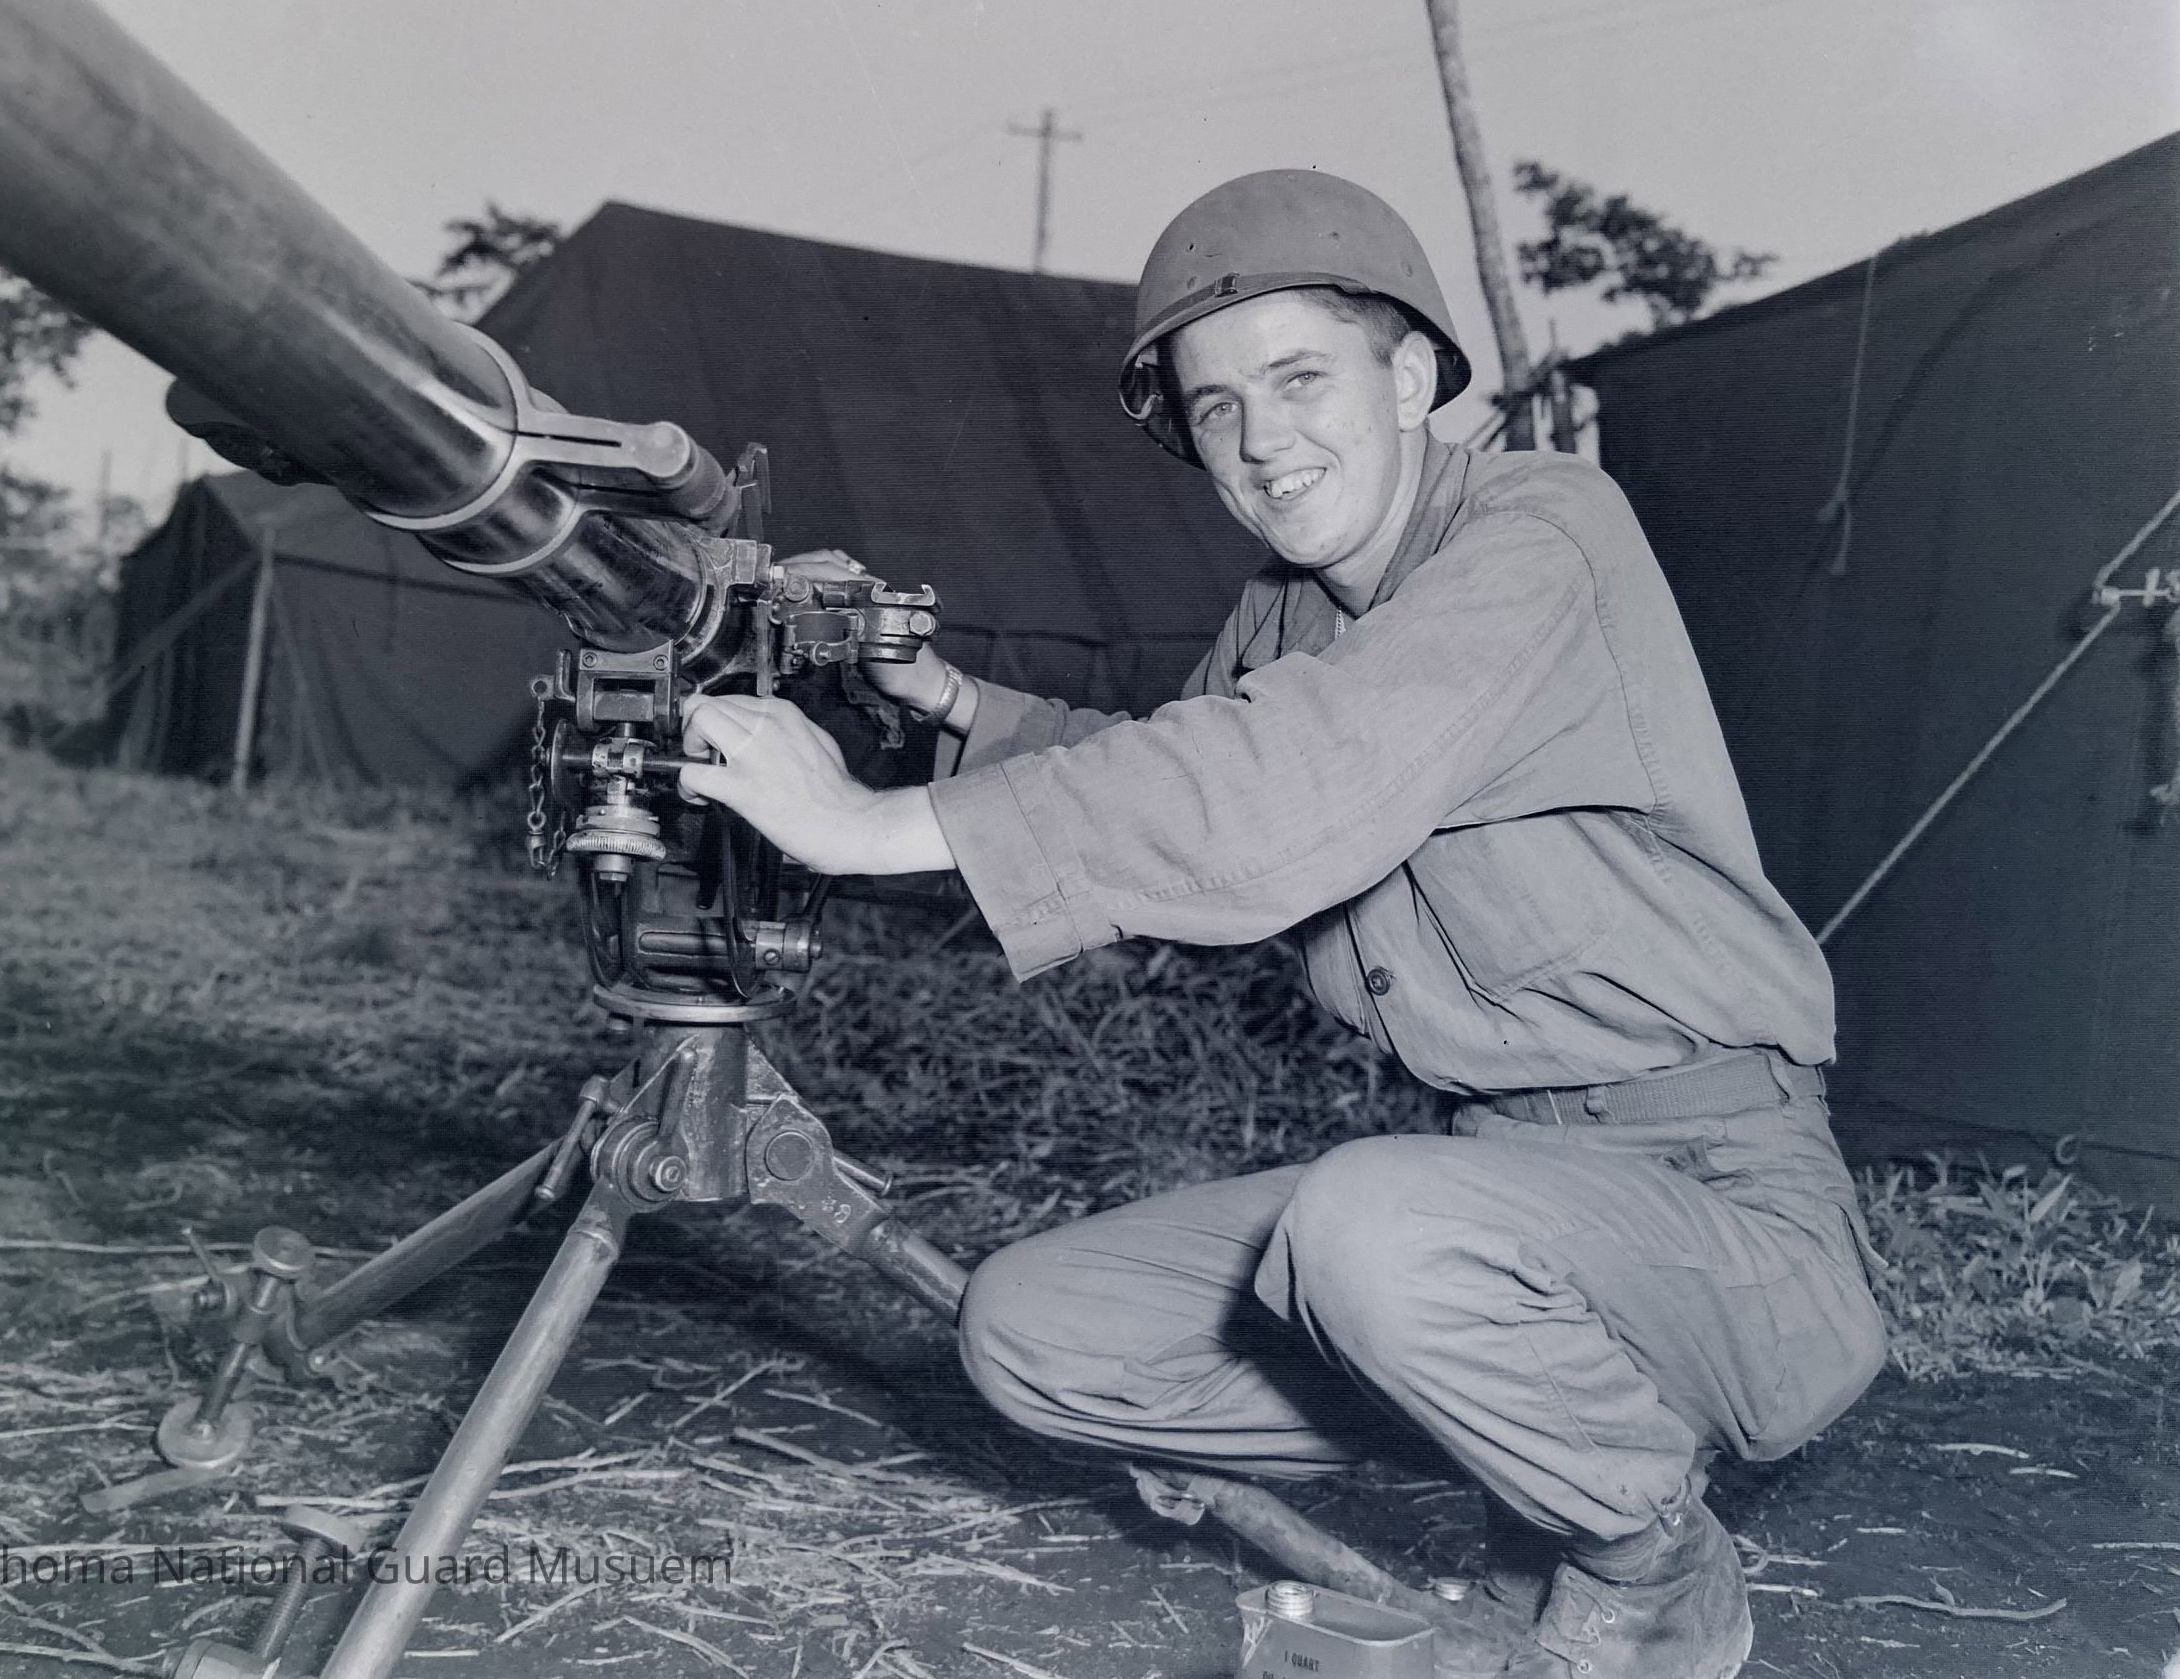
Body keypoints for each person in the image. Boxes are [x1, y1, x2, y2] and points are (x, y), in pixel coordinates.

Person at [675, 169, 1887, 1679]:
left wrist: (868, 827)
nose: (1259, 442)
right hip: (1500, 1200)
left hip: (1724, 1213)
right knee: (1030, 1328)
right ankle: (1532, 1440)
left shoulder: (1545, 531)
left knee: (1368, 1229)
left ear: (1415, 377)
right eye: (1216, 408)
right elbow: (1171, 763)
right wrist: (946, 702)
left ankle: (1655, 1564)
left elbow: (1290, 781)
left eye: (1300, 378)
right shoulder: (1291, 611)